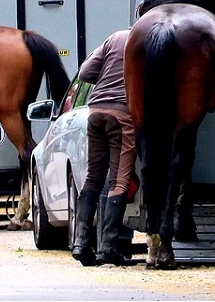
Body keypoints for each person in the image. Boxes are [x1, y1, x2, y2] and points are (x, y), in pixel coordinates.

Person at [72, 29, 135, 266]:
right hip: (121, 114)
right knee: (119, 180)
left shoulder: (115, 37)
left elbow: (86, 72)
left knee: (93, 178)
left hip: (95, 111)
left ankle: (81, 242)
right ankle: (108, 246)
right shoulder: (144, 39)